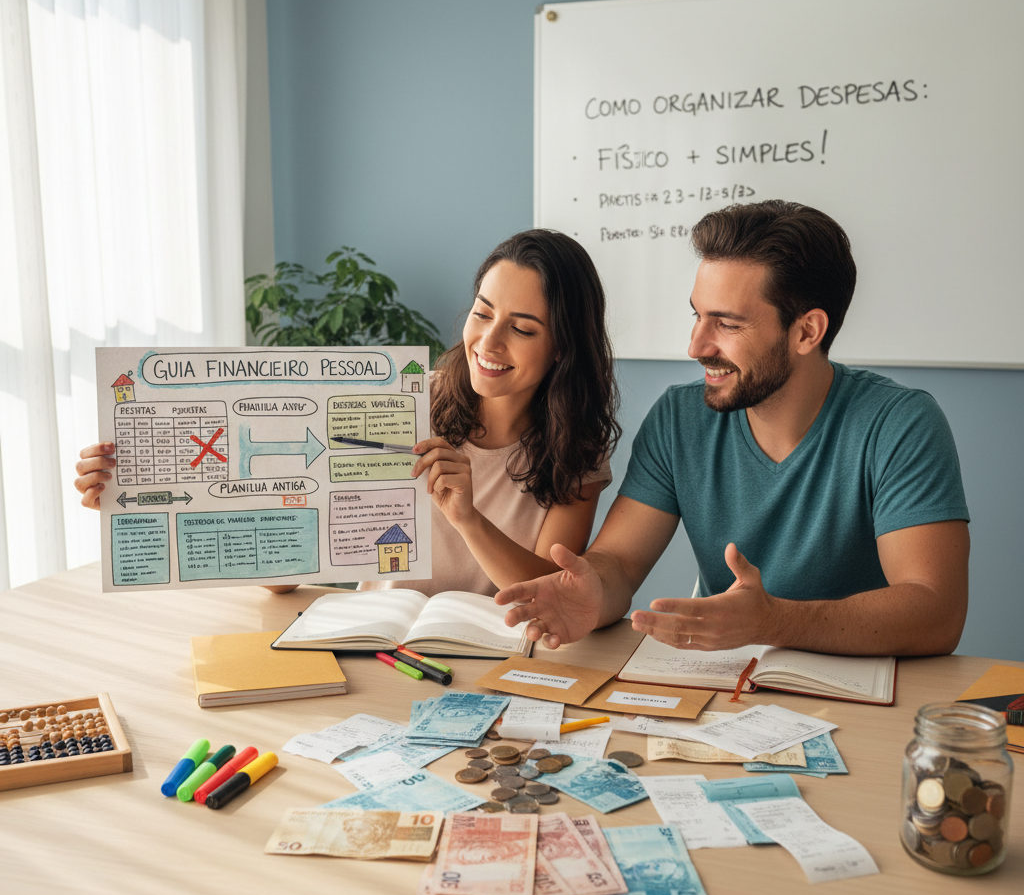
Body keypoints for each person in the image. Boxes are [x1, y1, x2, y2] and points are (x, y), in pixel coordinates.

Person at [497, 200, 970, 658]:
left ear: (807, 331)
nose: (696, 345)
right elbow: (619, 562)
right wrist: (593, 593)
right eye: (697, 315)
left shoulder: (902, 424)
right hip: (730, 690)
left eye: (726, 323)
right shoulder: (678, 419)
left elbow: (936, 611)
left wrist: (773, 621)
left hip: (868, 695)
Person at [74, 229, 621, 596]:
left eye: (523, 329)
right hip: (375, 644)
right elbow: (284, 580)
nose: (489, 341)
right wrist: (137, 493)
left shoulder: (578, 448)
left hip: (498, 659)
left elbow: (553, 596)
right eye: (482, 313)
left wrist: (467, 519)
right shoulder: (401, 404)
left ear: (563, 347)